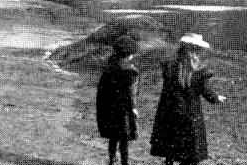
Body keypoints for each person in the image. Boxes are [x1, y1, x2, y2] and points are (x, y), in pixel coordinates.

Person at [150, 33, 226, 165]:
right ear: (196, 49)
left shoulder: (169, 66)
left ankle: (169, 161)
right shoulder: (199, 71)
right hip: (190, 112)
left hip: (169, 110)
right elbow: (205, 91)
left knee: (170, 141)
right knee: (189, 146)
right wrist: (216, 98)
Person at [96, 35, 140, 165]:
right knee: (124, 139)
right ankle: (124, 162)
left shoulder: (108, 69)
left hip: (110, 109)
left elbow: (102, 91)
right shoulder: (131, 72)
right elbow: (131, 93)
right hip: (124, 110)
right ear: (129, 53)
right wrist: (133, 108)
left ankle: (111, 160)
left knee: (113, 137)